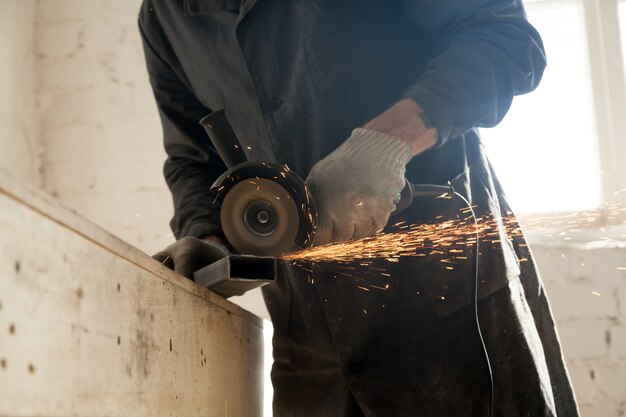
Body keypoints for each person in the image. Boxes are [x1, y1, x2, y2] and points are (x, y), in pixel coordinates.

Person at [140, 1, 579, 415]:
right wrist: (207, 236)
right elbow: (192, 159)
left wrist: (389, 142)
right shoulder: (164, 17)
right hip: (307, 345)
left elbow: (504, 38)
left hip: (451, 316)